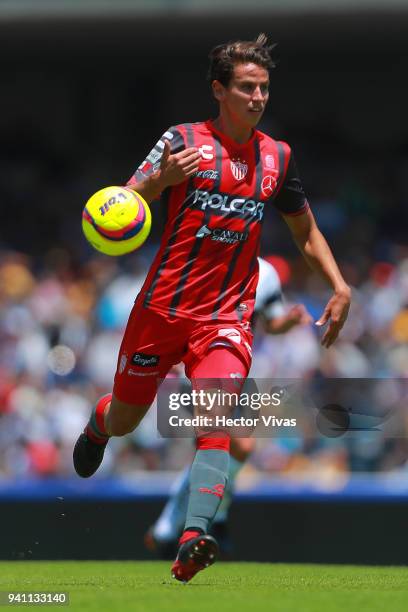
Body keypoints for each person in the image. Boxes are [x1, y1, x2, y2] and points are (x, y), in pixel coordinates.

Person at [73, 33, 351, 583]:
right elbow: (123, 207)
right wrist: (161, 180)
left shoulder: (278, 156)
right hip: (161, 312)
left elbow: (306, 231)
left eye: (264, 88)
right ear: (219, 90)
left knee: (214, 422)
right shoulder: (180, 141)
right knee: (128, 419)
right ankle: (100, 425)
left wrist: (340, 286)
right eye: (246, 87)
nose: (258, 97)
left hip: (225, 317)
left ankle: (194, 535)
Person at [145, 257, 312, 558]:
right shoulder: (201, 259)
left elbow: (271, 322)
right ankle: (201, 521)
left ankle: (171, 528)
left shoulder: (266, 274)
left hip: (232, 369)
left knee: (230, 448)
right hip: (192, 365)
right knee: (233, 444)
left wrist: (288, 321)